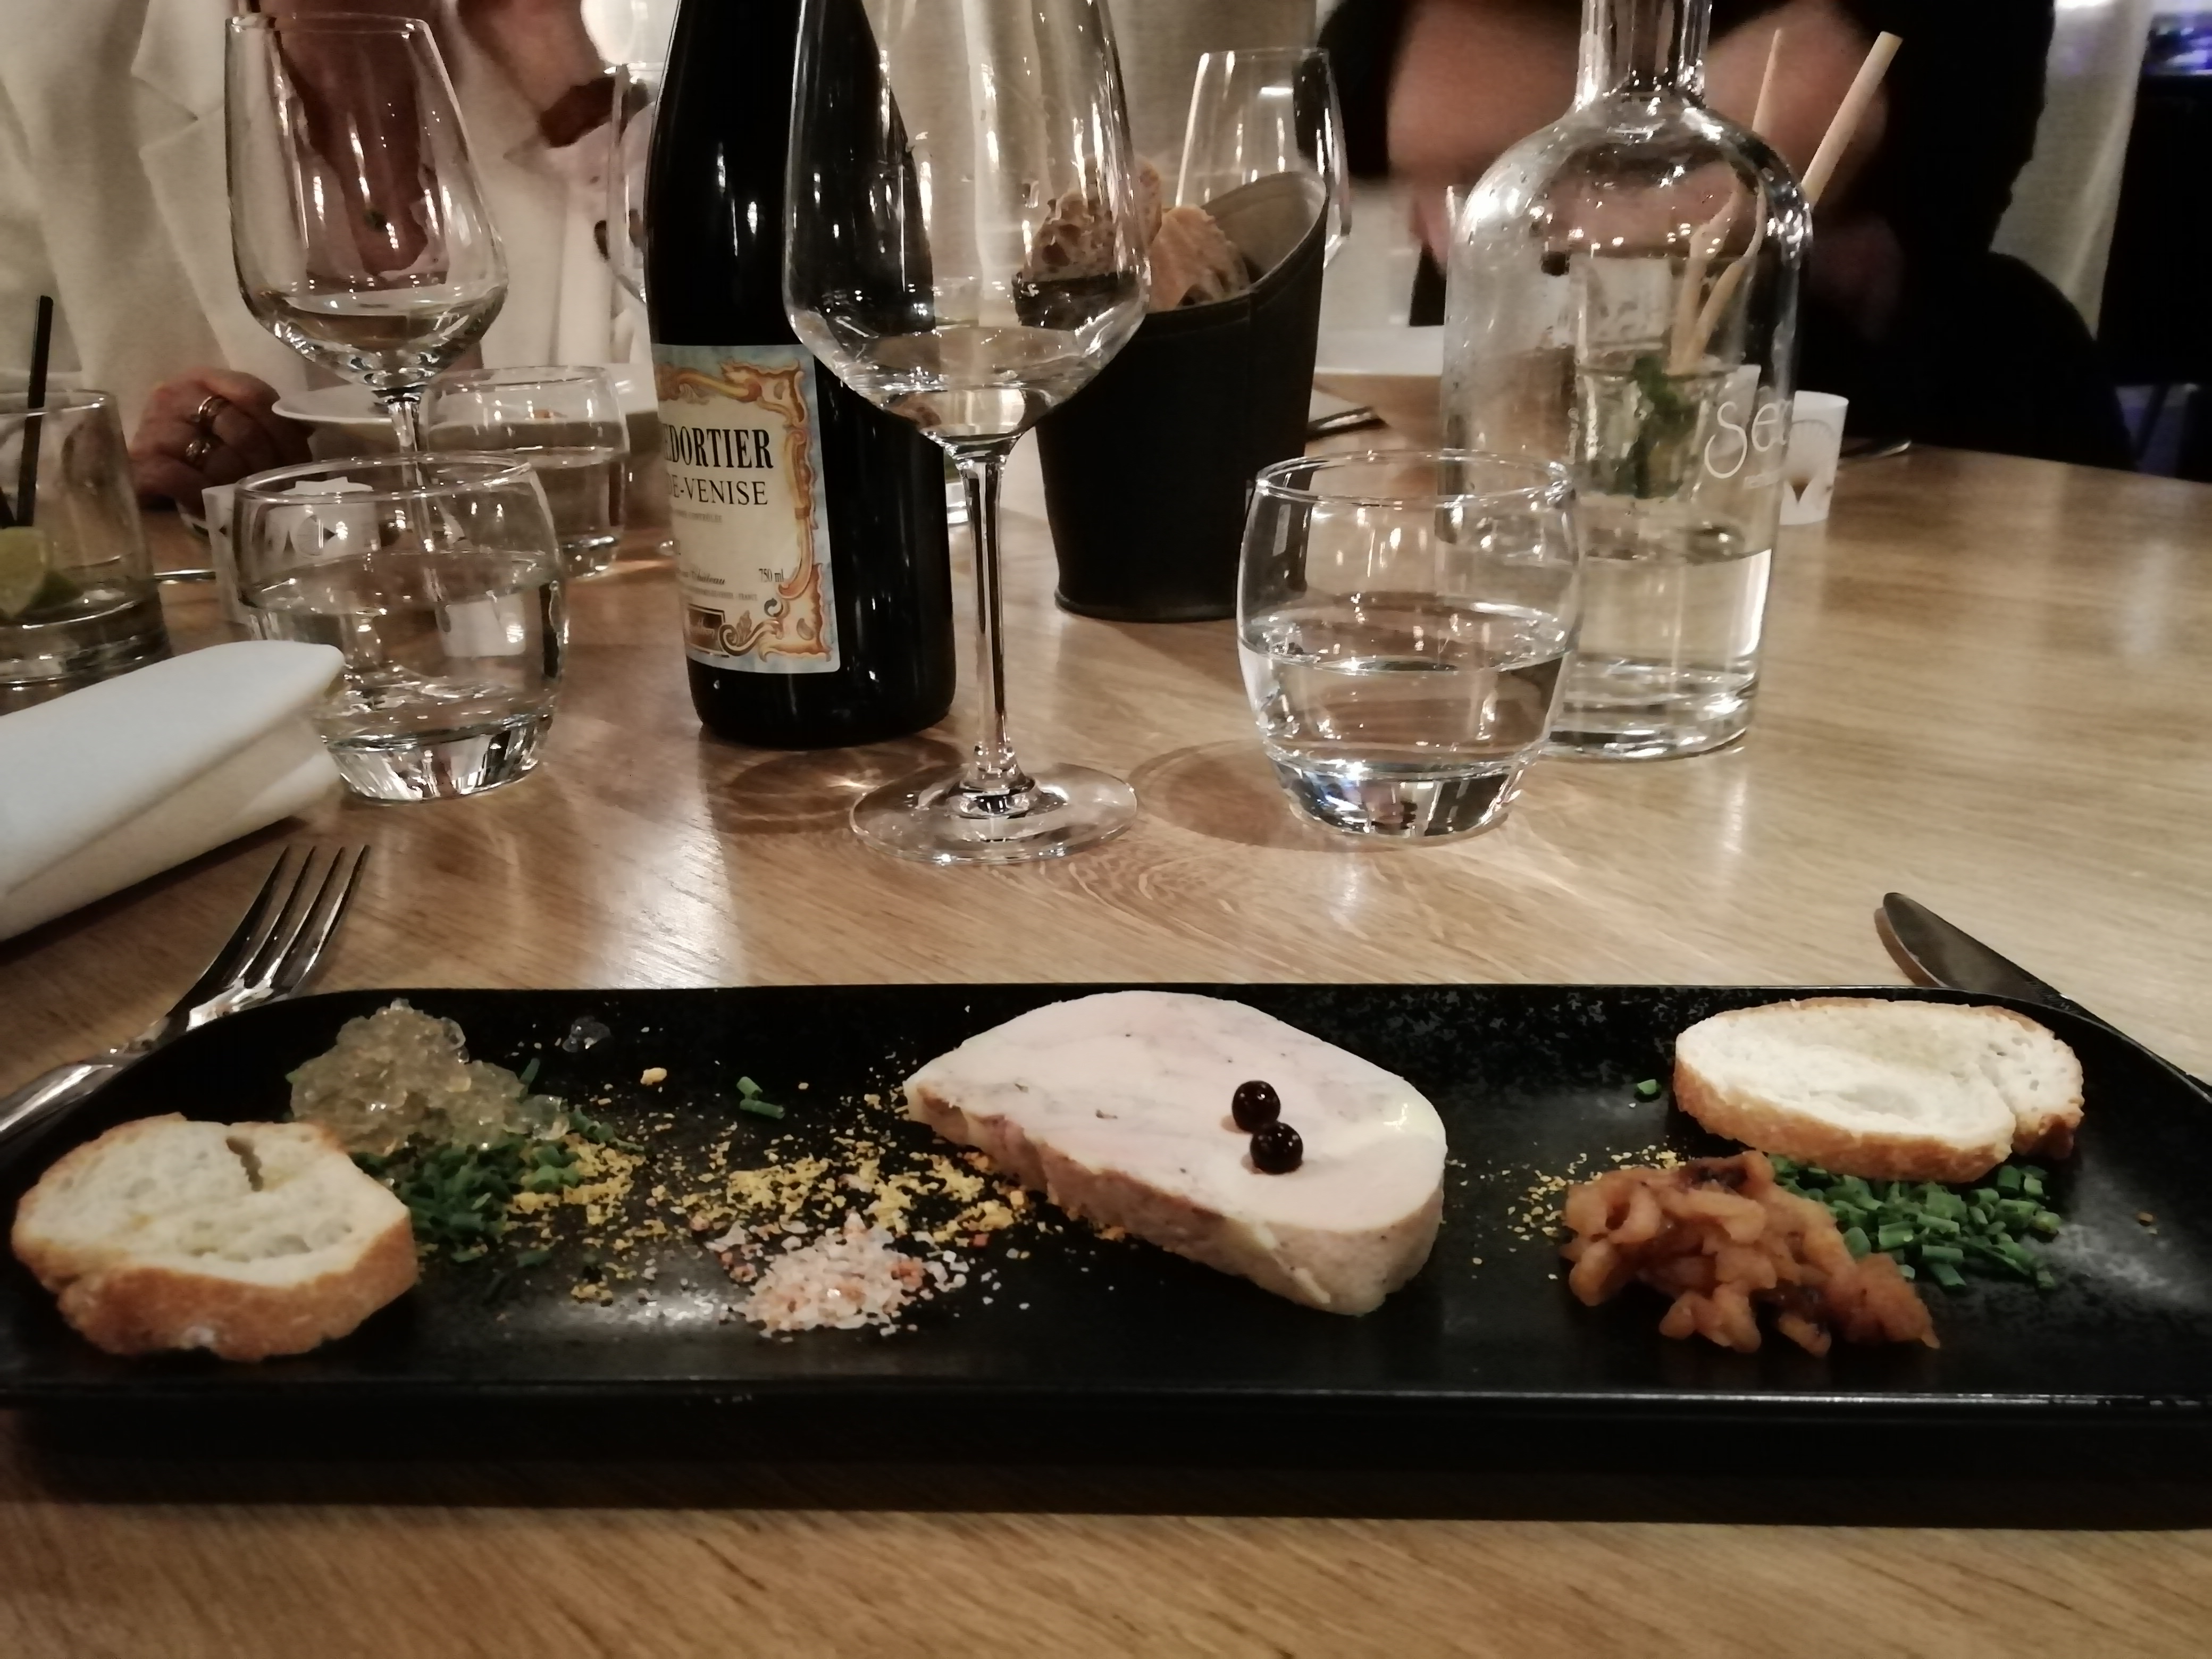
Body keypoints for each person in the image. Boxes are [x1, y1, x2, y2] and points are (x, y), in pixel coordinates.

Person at [1320, 0, 2135, 468]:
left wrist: (1619, 183)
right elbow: (1362, 94)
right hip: (1513, 441)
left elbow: (1917, 121)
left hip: (1860, 434)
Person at [0, 0, 632, 508]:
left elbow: (687, 370)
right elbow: (11, 424)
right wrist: (105, 461)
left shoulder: (536, 51)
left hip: (560, 600)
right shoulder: (41, 68)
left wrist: (557, 62)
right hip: (229, 621)